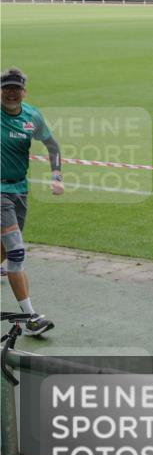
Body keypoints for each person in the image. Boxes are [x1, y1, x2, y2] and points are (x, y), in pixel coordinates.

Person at [1, 67, 63, 337]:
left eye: (16, 88)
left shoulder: (31, 116)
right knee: (16, 252)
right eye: (7, 88)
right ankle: (30, 317)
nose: (12, 93)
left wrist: (57, 176)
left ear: (24, 91)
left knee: (3, 250)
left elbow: (52, 146)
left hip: (20, 191)